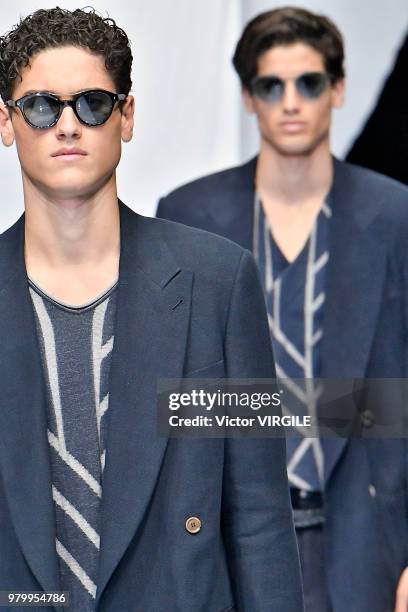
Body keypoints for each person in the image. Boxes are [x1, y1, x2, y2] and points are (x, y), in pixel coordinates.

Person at [0, 7, 304, 612]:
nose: (67, 125)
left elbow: (259, 514)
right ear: (7, 123)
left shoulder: (218, 282)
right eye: (40, 105)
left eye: (91, 103)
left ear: (127, 116)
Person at [157, 7, 408, 612]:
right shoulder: (188, 213)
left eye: (310, 83)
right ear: (248, 97)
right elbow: (170, 395)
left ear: (339, 89)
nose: (291, 101)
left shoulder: (398, 214)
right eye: (271, 85)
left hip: (371, 538)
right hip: (233, 542)